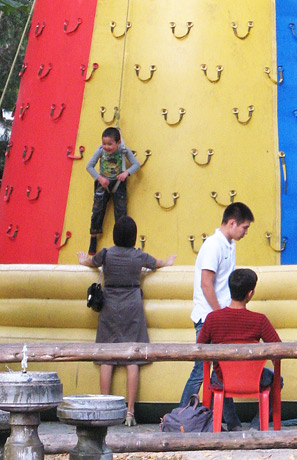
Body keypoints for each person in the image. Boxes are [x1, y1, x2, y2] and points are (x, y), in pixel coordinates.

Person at [77, 216, 176, 427]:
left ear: (114, 235)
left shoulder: (106, 253)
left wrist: (82, 258)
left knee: (107, 357)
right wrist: (168, 262)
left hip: (110, 305)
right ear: (133, 237)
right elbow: (156, 264)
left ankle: (105, 408)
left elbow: (90, 262)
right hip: (132, 305)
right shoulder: (138, 255)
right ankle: (130, 412)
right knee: (133, 358)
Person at [178, 202, 254, 418]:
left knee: (221, 369)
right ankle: (181, 415)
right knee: (200, 370)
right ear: (232, 223)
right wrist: (221, 314)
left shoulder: (229, 244)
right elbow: (206, 284)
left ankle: (228, 418)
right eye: (244, 228)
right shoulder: (213, 246)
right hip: (208, 317)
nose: (245, 232)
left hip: (218, 315)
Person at [198, 268, 282, 431]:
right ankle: (257, 425)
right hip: (254, 378)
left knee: (217, 375)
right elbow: (278, 349)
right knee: (277, 380)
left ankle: (233, 423)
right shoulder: (259, 320)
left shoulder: (213, 319)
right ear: (250, 293)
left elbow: (199, 348)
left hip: (223, 378)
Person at [85, 127, 140, 255]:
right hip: (103, 183)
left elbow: (136, 164)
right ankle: (93, 236)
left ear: (118, 143)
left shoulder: (123, 151)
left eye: (110, 144)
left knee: (121, 213)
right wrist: (99, 178)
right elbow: (89, 166)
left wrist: (127, 173)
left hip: (119, 183)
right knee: (97, 209)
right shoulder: (100, 152)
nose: (107, 147)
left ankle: (121, 243)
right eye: (104, 144)